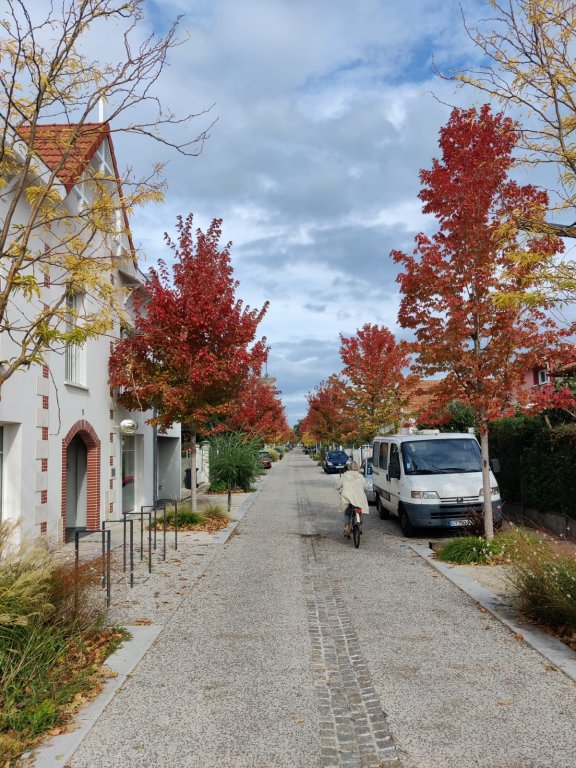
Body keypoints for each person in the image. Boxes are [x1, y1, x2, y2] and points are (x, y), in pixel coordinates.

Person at [335, 460, 369, 538]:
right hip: (358, 498)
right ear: (357, 468)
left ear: (349, 467)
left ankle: (347, 526)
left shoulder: (345, 475)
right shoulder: (360, 476)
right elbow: (366, 486)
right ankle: (359, 525)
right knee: (359, 509)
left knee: (347, 512)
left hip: (348, 497)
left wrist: (339, 489)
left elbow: (338, 486)